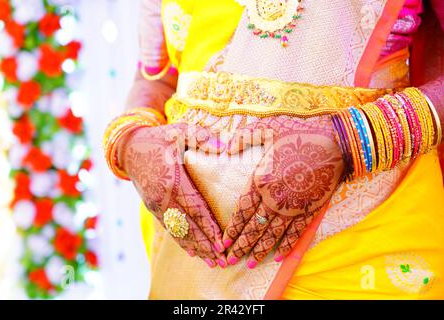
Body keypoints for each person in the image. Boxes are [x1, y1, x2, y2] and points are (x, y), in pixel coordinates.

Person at [103, 0, 444, 299]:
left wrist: (352, 140)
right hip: (192, 255)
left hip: (361, 246)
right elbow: (156, 78)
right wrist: (131, 141)